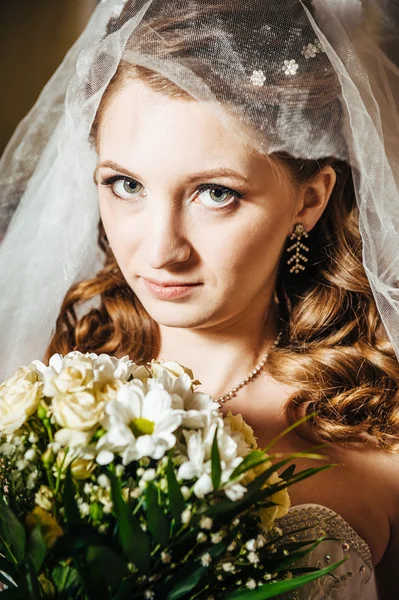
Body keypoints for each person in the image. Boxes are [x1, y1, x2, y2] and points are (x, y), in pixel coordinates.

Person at [1, 0, 399, 597]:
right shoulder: (28, 400)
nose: (160, 250)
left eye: (216, 193)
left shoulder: (379, 432)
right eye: (126, 185)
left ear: (309, 200)